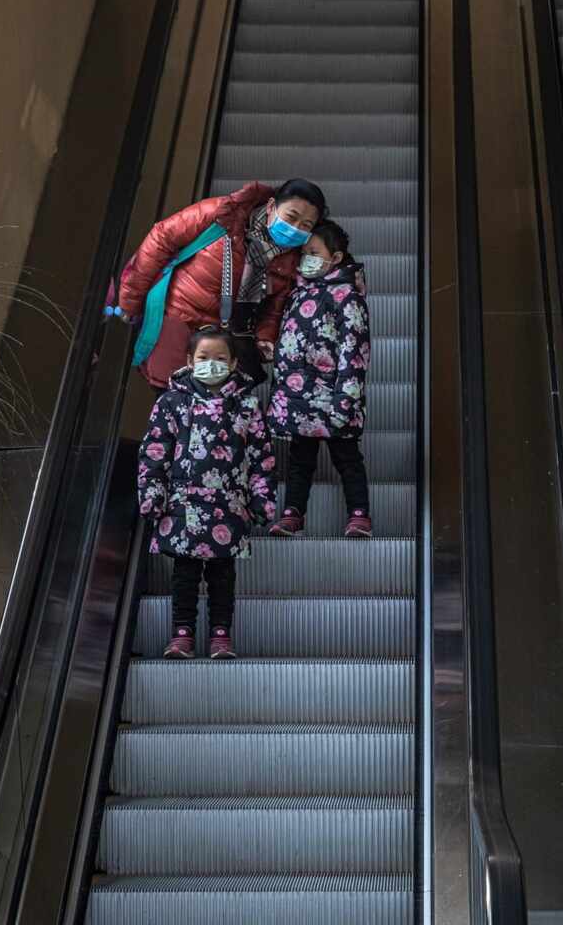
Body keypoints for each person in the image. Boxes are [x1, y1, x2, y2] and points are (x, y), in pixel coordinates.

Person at [137, 326, 275, 659]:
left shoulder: (246, 405)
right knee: (184, 573)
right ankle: (181, 634)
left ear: (233, 363)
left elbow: (261, 455)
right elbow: (155, 449)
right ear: (189, 360)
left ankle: (220, 636)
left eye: (219, 358)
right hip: (181, 504)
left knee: (222, 575)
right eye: (203, 358)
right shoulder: (171, 402)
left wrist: (262, 501)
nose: (211, 364)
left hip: (229, 505)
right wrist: (152, 494)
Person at [116, 179, 328, 391]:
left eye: (306, 225)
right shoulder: (223, 213)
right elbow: (160, 240)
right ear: (272, 206)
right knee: (170, 394)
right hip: (178, 318)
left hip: (223, 341)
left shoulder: (289, 260)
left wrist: (265, 338)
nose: (295, 229)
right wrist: (130, 300)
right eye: (291, 217)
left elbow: (273, 309)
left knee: (213, 410)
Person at [266, 220, 372, 538]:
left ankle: (359, 514)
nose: (305, 259)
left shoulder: (347, 297)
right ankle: (292, 513)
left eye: (314, 253)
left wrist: (346, 399)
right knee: (300, 460)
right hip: (300, 398)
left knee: (347, 458)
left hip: (335, 395)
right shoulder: (298, 293)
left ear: (335, 258)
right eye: (304, 253)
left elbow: (355, 350)